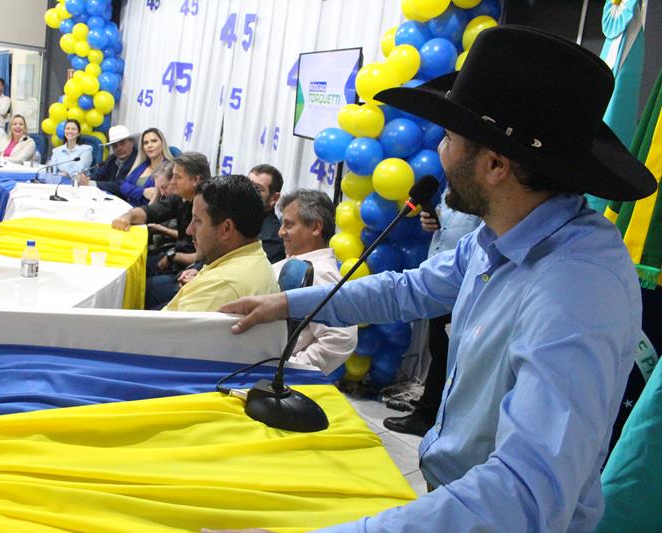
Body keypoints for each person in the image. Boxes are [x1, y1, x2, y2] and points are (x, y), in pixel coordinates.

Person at [214, 26, 656, 532]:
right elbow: (412, 288)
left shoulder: (577, 289)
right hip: (455, 503)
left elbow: (525, 493)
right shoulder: (501, 234)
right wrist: (290, 303)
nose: (440, 155)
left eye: (449, 138)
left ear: (494, 164)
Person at [383, 186, 481, 435]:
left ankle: (430, 416)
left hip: (464, 284)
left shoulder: (483, 195)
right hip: (439, 277)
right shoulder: (452, 189)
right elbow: (445, 229)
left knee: (446, 351)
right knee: (438, 347)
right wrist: (430, 220)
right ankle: (431, 409)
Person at [163, 175, 279, 312]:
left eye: (197, 221)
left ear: (226, 228)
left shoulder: (220, 285)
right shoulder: (251, 257)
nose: (189, 230)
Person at [272, 189, 356, 374]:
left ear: (316, 228)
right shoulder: (296, 261)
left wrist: (290, 369)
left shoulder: (320, 271)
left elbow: (341, 338)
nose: (281, 232)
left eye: (289, 224)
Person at [112, 151, 210, 309]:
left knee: (142, 287)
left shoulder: (210, 206)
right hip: (177, 261)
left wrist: (173, 257)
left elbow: (205, 256)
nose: (172, 182)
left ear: (196, 180)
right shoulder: (181, 198)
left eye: (177, 177)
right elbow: (149, 212)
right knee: (135, 270)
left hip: (193, 273)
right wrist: (127, 217)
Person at [75, 124, 137, 195]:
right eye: (115, 146)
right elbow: (100, 175)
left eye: (122, 143)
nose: (119, 148)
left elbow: (121, 186)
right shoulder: (112, 158)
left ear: (132, 142)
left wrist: (90, 183)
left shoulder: (137, 160)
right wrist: (86, 178)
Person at [119, 127, 174, 206]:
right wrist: (143, 192)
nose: (149, 145)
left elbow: (158, 198)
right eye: (146, 143)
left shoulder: (169, 168)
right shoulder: (143, 165)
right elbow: (123, 186)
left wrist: (133, 192)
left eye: (154, 141)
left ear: (162, 143)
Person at [248, 164, 285, 263]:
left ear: (274, 198)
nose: (247, 191)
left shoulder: (271, 238)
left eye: (258, 189)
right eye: (247, 184)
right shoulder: (233, 216)